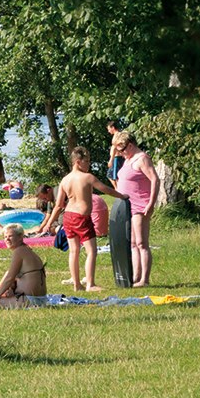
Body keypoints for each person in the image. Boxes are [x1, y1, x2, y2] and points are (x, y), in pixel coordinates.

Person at [40, 147, 126, 292]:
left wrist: (48, 224)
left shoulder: (65, 180)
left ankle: (77, 284)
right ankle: (90, 284)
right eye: (87, 161)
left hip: (68, 217)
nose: (89, 164)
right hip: (81, 218)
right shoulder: (88, 177)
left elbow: (59, 205)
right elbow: (106, 189)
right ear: (78, 162)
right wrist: (122, 196)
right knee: (91, 251)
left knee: (74, 251)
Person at [112, 130, 160, 287]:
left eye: (121, 150)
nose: (120, 153)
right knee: (132, 242)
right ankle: (135, 276)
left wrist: (151, 203)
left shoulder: (142, 159)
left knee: (141, 242)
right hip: (128, 206)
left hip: (140, 205)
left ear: (130, 145)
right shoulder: (128, 158)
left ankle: (144, 280)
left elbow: (155, 179)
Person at [0, 223, 47, 307]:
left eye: (10, 236)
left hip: (30, 300)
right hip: (37, 298)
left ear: (20, 237)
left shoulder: (19, 251)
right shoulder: (26, 250)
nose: (7, 239)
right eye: (5, 237)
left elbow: (9, 278)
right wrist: (11, 289)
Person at [106, 118, 126, 188]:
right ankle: (117, 189)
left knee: (115, 176)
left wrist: (111, 160)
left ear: (113, 128)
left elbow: (115, 147)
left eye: (109, 129)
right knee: (111, 175)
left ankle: (118, 190)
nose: (108, 131)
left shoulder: (117, 135)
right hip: (118, 158)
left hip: (116, 158)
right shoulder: (120, 135)